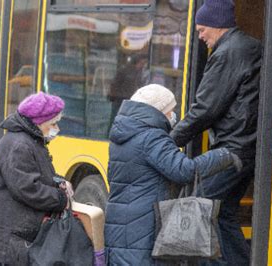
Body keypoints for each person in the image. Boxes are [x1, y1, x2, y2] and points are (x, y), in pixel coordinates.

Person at [104, 84, 242, 265]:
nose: (173, 116)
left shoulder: (123, 135)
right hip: (145, 227)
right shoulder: (152, 137)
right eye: (171, 111)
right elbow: (185, 171)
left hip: (120, 224)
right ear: (159, 111)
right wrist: (222, 155)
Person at [169, 1, 262, 265]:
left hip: (232, 147)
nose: (200, 37)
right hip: (247, 145)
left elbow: (205, 109)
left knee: (202, 208)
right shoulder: (249, 45)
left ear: (218, 25)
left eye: (201, 30)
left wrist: (168, 141)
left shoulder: (227, 52)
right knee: (224, 213)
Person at [0, 92, 73, 265]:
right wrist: (60, 199)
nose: (56, 128)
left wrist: (59, 182)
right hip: (12, 236)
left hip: (14, 233)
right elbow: (28, 188)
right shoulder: (20, 145)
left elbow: (39, 173)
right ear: (39, 122)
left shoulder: (29, 140)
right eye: (53, 123)